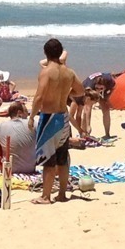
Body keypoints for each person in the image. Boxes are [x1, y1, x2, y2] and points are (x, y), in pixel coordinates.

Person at [30, 38, 83, 204]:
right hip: (63, 117)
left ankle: (46, 196)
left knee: (48, 159)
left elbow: (39, 97)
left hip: (49, 118)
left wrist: (32, 116)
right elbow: (80, 90)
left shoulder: (46, 72)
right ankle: (61, 194)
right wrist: (65, 93)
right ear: (60, 53)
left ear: (46, 53)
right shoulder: (69, 72)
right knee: (62, 157)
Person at [0, 101, 36, 173]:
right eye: (26, 111)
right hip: (30, 169)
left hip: (9, 169)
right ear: (19, 113)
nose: (28, 114)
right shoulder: (33, 124)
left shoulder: (2, 126)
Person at [81, 71, 116, 139]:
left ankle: (107, 134)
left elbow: (112, 88)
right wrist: (88, 125)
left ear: (105, 87)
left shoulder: (111, 82)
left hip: (105, 89)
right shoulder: (89, 85)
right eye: (97, 88)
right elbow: (88, 108)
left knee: (106, 108)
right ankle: (84, 133)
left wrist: (106, 98)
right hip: (88, 89)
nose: (98, 90)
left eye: (101, 88)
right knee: (86, 111)